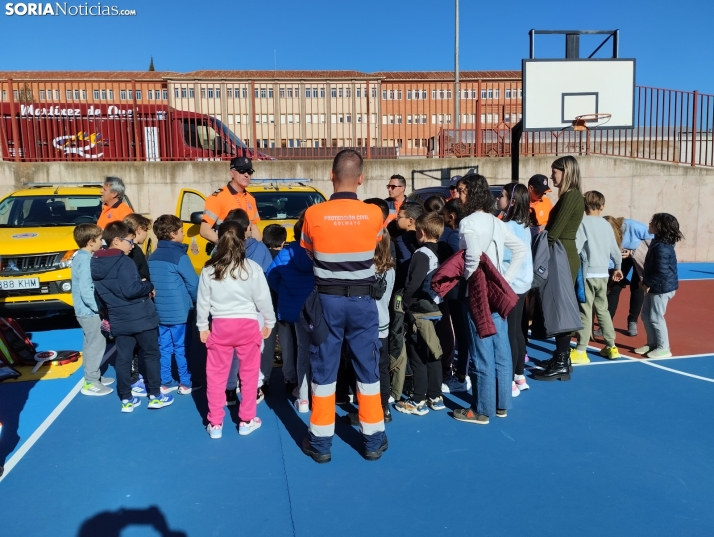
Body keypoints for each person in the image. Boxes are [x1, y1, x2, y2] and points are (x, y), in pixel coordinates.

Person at [300, 149, 387, 463]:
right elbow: (376, 247)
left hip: (327, 301)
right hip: (363, 301)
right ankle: (373, 440)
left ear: (331, 175)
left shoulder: (313, 215)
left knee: (324, 369)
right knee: (367, 368)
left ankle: (321, 445)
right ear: (361, 178)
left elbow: (309, 252)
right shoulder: (375, 215)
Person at [452, 173, 526, 425]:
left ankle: (482, 409)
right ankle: (502, 404)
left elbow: (472, 255)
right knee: (501, 348)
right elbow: (520, 249)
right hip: (495, 290)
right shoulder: (496, 222)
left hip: (478, 291)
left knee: (482, 349)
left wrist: (473, 281)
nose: (458, 196)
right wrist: (504, 278)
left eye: (461, 191)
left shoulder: (469, 222)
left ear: (471, 193)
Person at [197, 223, 275, 439]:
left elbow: (203, 301)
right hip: (247, 326)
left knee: (215, 376)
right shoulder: (252, 268)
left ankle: (215, 423)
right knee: (249, 375)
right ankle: (247, 420)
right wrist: (269, 321)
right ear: (244, 241)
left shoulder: (209, 269)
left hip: (221, 326)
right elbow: (263, 299)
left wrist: (203, 326)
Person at [91, 221, 173, 412]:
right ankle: (155, 395)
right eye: (130, 241)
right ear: (117, 240)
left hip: (118, 317)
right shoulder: (124, 261)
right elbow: (130, 289)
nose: (132, 245)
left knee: (123, 358)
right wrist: (148, 286)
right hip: (141, 316)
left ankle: (126, 399)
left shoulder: (95, 262)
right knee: (152, 355)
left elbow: (99, 294)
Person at [532, 156, 586, 382]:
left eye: (555, 172)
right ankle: (561, 357)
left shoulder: (571, 197)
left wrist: (537, 254)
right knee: (558, 304)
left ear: (566, 172)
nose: (552, 175)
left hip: (560, 254)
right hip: (562, 253)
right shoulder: (570, 197)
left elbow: (553, 232)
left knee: (560, 307)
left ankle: (562, 361)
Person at [395, 212, 451, 415]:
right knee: (433, 351)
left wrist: (406, 302)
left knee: (417, 354)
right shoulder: (442, 251)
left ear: (422, 231)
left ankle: (417, 399)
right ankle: (435, 396)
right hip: (436, 307)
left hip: (419, 309)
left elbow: (414, 283)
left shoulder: (421, 254)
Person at [267, 213, 315, 413]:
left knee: (293, 348)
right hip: (313, 308)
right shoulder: (317, 253)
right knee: (315, 351)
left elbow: (271, 275)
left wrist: (284, 291)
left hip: (289, 306)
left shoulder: (285, 253)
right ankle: (314, 392)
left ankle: (297, 388)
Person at [148, 215, 200, 394]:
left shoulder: (153, 256)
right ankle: (185, 382)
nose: (183, 234)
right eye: (181, 231)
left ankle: (165, 381)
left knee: (164, 347)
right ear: (172, 234)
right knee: (182, 347)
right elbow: (193, 283)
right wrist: (196, 302)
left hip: (160, 311)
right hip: (180, 312)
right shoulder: (179, 256)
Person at [571, 191, 624, 364]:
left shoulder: (582, 222)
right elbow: (615, 250)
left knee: (585, 312)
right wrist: (617, 267)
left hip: (587, 274)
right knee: (603, 310)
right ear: (602, 206)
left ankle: (581, 350)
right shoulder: (606, 225)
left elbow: (577, 247)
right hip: (603, 274)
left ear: (584, 205)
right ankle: (611, 346)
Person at [498, 183, 534, 397]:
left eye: (501, 196)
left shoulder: (508, 226)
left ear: (512, 201)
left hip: (511, 283)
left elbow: (505, 255)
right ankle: (519, 375)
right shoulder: (523, 225)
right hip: (522, 283)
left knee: (509, 332)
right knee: (518, 330)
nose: (497, 199)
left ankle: (510, 378)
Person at [71, 223, 113, 397]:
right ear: (90, 242)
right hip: (89, 312)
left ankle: (93, 375)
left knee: (90, 343)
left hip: (84, 310)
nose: (101, 242)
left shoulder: (80, 257)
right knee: (96, 344)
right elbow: (86, 289)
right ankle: (90, 381)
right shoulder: (86, 260)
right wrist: (99, 308)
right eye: (99, 239)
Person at [634, 213, 683, 359]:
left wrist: (647, 283)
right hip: (656, 286)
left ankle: (664, 348)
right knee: (646, 316)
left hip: (661, 288)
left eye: (652, 222)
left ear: (659, 227)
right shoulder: (657, 242)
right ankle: (652, 343)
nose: (649, 224)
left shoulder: (662, 247)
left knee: (656, 317)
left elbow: (661, 271)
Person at [601, 216, 654, 337]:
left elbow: (652, 240)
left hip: (639, 256)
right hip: (622, 257)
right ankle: (607, 324)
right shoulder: (607, 233)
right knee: (614, 286)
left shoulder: (633, 226)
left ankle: (632, 322)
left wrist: (633, 252)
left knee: (637, 287)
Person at [440, 198, 472, 394]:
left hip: (457, 291)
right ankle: (462, 372)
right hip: (458, 290)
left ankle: (461, 375)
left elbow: (456, 263)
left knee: (460, 331)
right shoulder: (461, 233)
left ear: (451, 216)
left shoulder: (454, 235)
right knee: (461, 332)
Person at [200, 156, 262, 244]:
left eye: (249, 172)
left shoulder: (250, 198)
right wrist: (227, 245)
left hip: (247, 251)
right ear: (232, 173)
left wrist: (261, 249)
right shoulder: (217, 197)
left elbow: (254, 228)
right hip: (227, 253)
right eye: (242, 171)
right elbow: (204, 230)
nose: (246, 175)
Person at [123, 213, 153, 396]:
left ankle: (134, 376)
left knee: (133, 345)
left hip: (135, 303)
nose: (146, 235)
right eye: (146, 231)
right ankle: (133, 379)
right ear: (139, 230)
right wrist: (145, 284)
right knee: (133, 345)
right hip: (136, 304)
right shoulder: (134, 253)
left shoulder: (133, 251)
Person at [394, 202, 424, 290]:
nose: (396, 219)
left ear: (410, 221)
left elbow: (405, 264)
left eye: (399, 216)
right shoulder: (424, 236)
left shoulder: (402, 240)